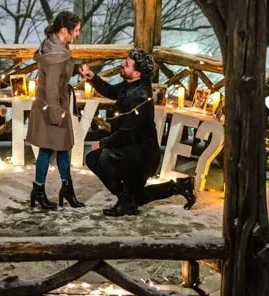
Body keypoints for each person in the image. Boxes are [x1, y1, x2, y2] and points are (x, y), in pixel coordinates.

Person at [79, 49, 196, 216]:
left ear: (137, 73)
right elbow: (111, 91)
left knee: (100, 157)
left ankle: (126, 199)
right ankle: (178, 187)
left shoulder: (140, 97)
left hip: (141, 156)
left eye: (127, 65)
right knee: (136, 197)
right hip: (131, 150)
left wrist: (102, 143)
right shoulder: (132, 84)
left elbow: (126, 132)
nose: (122, 65)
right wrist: (93, 77)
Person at [25, 11, 84, 209]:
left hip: (57, 104)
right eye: (75, 31)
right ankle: (40, 190)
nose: (77, 34)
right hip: (52, 107)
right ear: (64, 30)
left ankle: (65, 189)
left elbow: (61, 72)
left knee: (63, 148)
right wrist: (56, 114)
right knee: (48, 149)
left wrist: (77, 69)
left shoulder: (57, 46)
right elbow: (51, 87)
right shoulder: (55, 55)